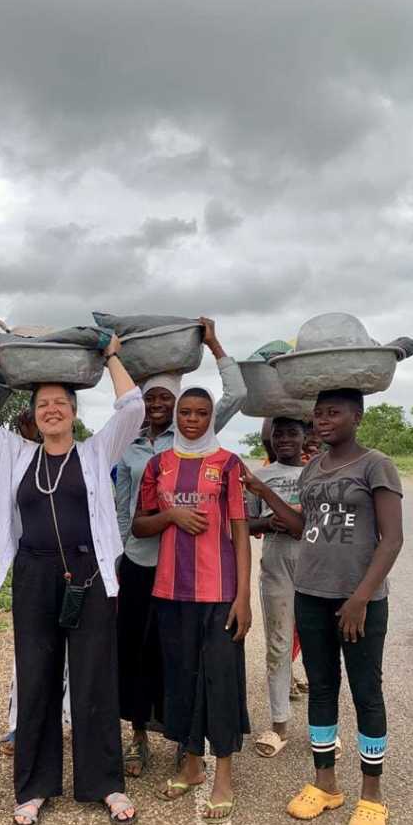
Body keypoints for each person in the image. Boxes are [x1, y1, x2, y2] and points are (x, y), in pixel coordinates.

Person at [0, 336, 145, 825]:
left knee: (94, 678)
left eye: (61, 402)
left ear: (75, 411)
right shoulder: (16, 453)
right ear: (33, 415)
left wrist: (111, 356)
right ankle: (34, 788)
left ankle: (104, 783)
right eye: (43, 404)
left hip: (90, 574)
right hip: (34, 575)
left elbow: (133, 407)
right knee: (36, 677)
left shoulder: (96, 450)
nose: (52, 410)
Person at [241, 388, 403, 825]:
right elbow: (302, 527)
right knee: (323, 689)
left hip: (359, 602)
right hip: (311, 594)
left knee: (367, 692)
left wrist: (360, 598)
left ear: (358, 417)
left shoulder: (376, 465)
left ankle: (372, 795)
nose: (323, 420)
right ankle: (325, 784)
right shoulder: (314, 468)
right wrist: (262, 492)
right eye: (318, 414)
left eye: (334, 413)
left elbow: (391, 539)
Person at [115, 317, 246, 777]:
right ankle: (137, 736)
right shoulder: (128, 446)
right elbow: (121, 506)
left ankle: (182, 738)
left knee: (180, 658)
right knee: (135, 652)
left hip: (189, 570)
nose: (158, 406)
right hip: (139, 562)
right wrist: (117, 556)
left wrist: (214, 344)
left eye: (165, 400)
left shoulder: (195, 436)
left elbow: (236, 395)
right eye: (150, 398)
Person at [132, 386, 252, 821]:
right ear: (177, 416)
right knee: (181, 679)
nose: (192, 420)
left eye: (202, 413)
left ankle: (224, 775)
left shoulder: (229, 464)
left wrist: (243, 596)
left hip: (219, 593)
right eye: (186, 412)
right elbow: (140, 525)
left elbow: (240, 531)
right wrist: (171, 516)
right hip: (170, 592)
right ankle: (191, 765)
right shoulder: (158, 465)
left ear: (211, 418)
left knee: (220, 679)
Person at [0, 408, 71, 759]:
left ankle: (67, 720)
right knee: (29, 657)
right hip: (33, 569)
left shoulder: (81, 458)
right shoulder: (19, 461)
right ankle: (22, 725)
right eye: (29, 423)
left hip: (75, 569)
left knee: (71, 656)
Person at [247, 417, 306, 758]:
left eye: (292, 433)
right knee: (278, 646)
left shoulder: (318, 473)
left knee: (320, 648)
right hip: (276, 567)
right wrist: (269, 522)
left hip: (315, 567)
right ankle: (279, 725)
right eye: (278, 433)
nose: (285, 439)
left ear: (304, 436)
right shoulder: (260, 477)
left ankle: (326, 729)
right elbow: (244, 522)